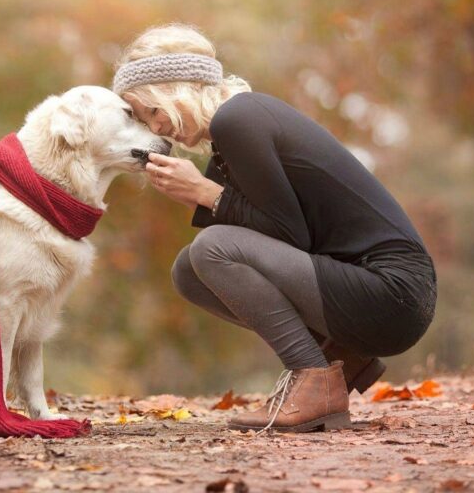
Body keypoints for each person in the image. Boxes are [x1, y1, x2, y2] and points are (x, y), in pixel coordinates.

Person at [111, 24, 437, 432]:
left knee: (211, 248)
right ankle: (339, 357)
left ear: (174, 89)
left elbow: (288, 236)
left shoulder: (239, 118)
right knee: (189, 270)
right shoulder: (231, 131)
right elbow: (278, 236)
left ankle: (313, 378)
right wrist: (202, 193)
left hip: (391, 294)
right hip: (374, 292)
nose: (156, 129)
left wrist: (206, 192)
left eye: (153, 112)